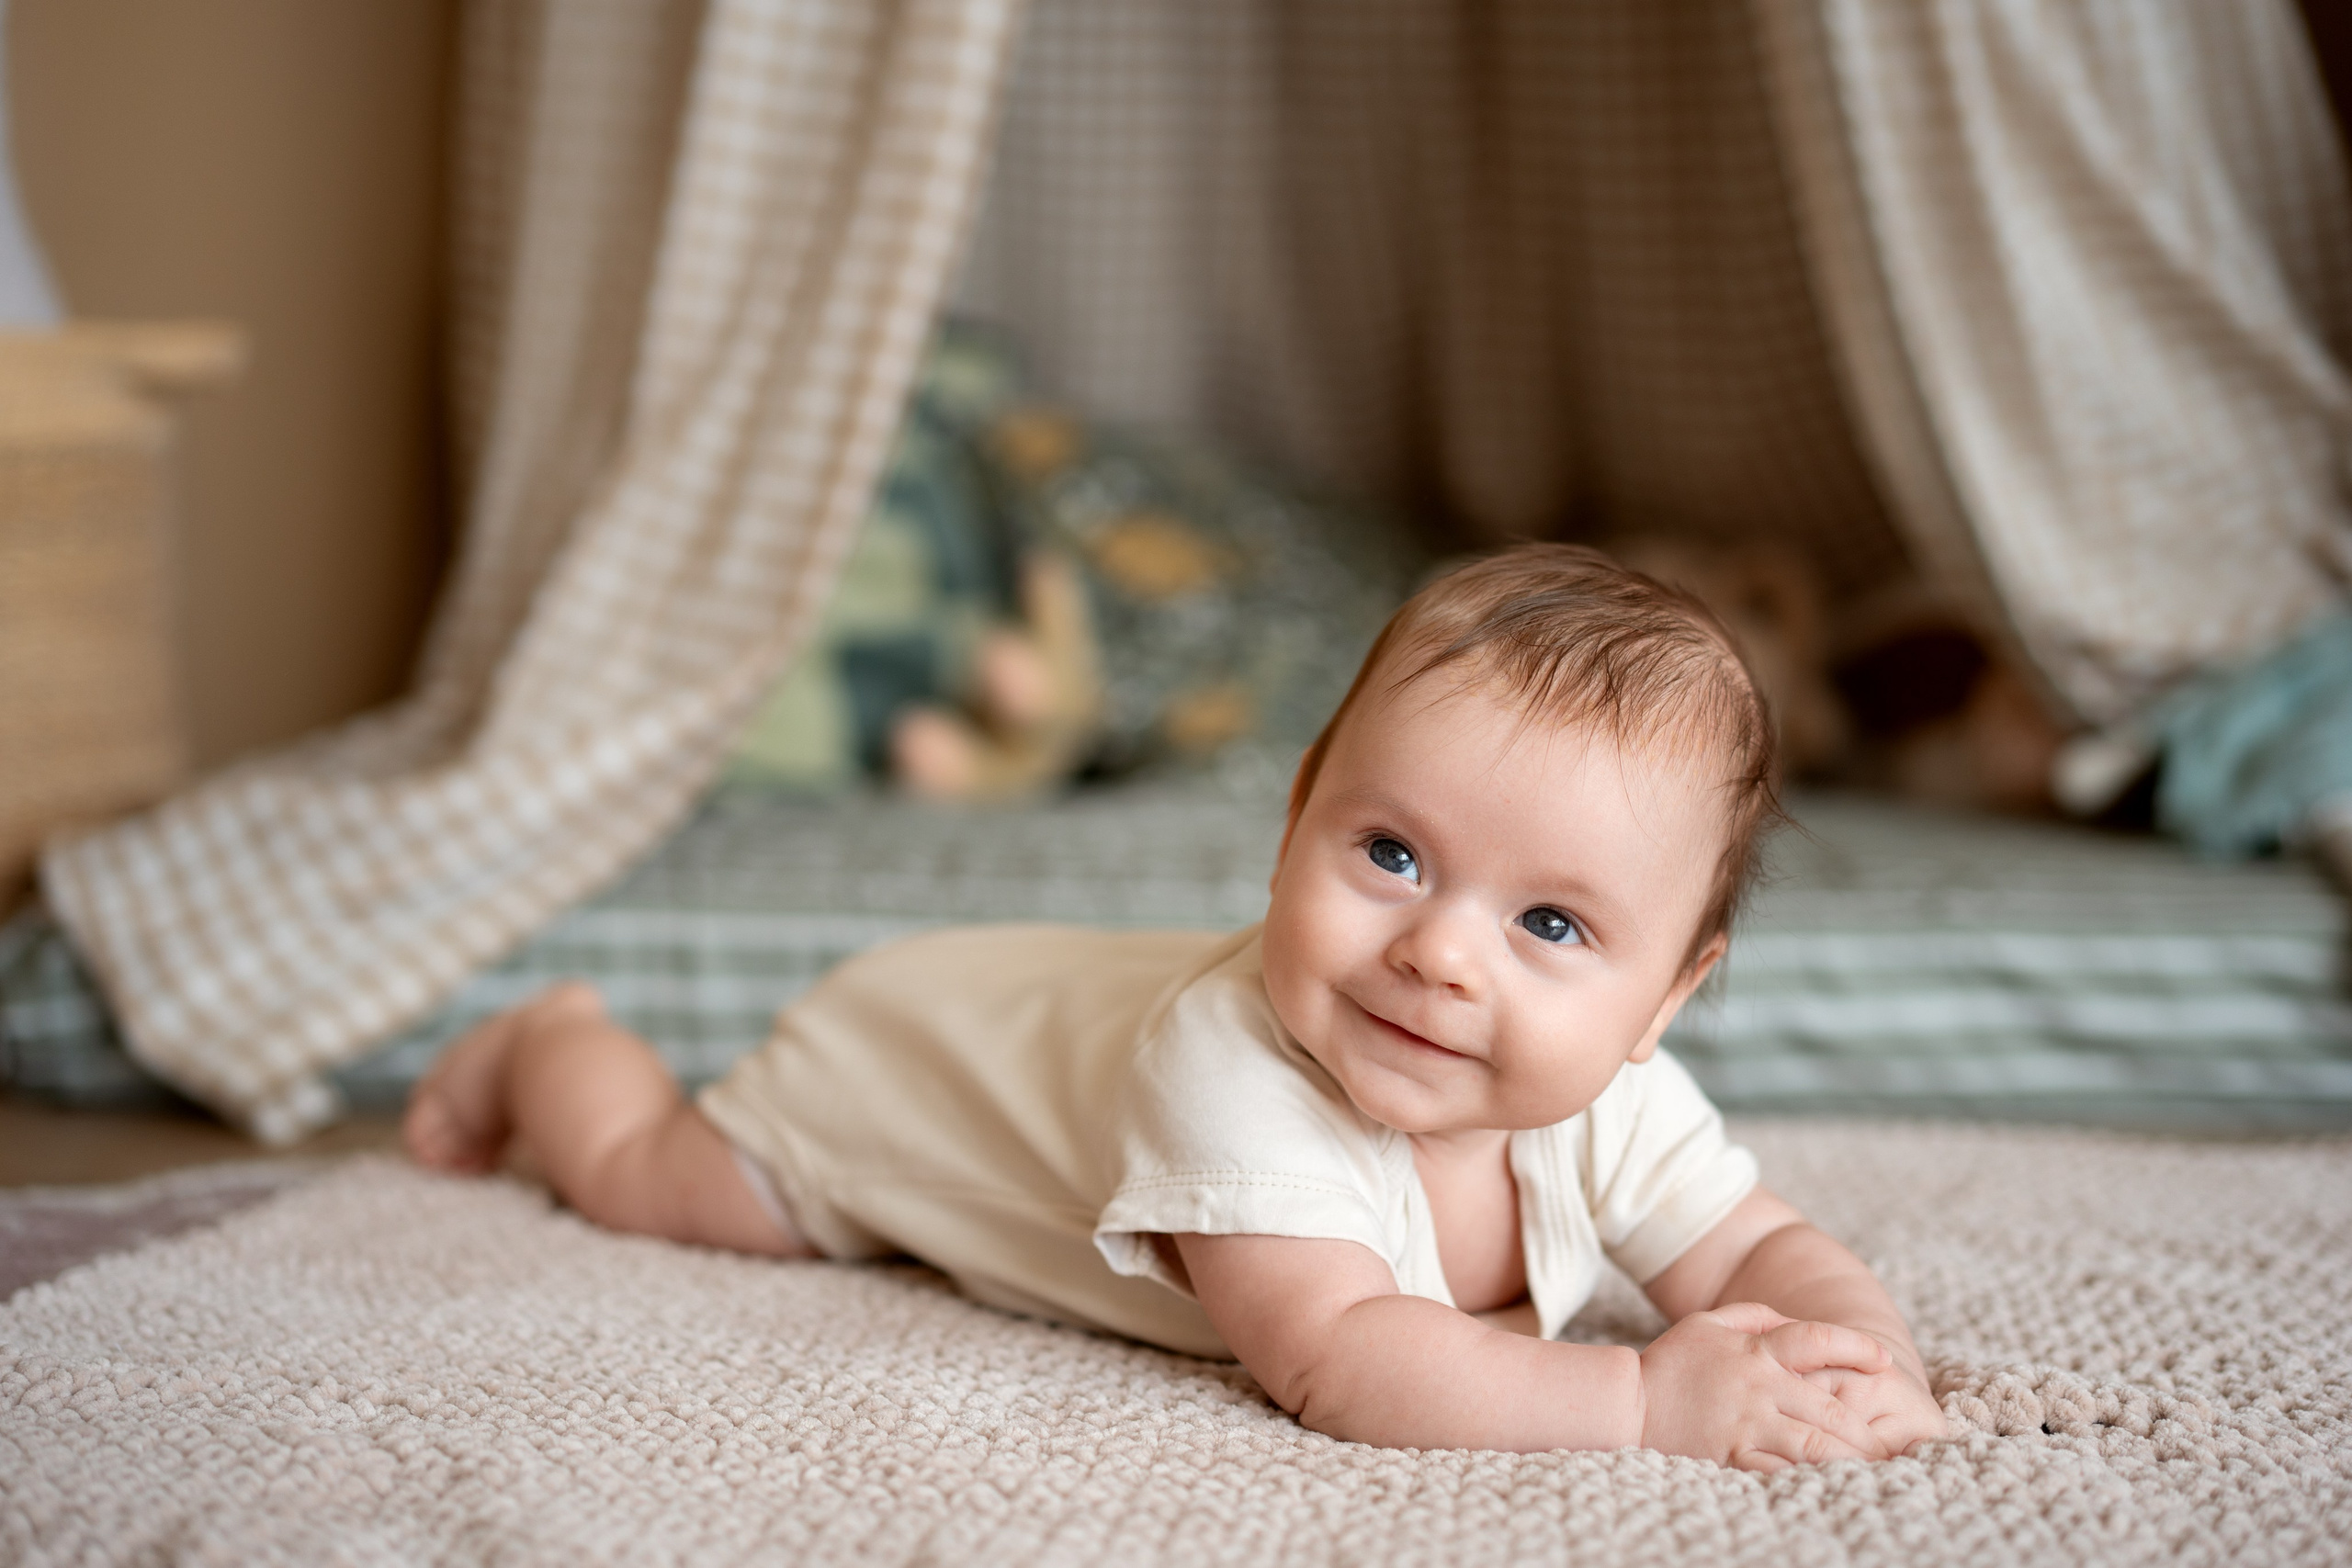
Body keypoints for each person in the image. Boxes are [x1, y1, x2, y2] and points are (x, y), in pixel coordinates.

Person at [404, 543, 1947, 1468]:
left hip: (1029, 1012)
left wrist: (1854, 1351)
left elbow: (1749, 1246)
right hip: (910, 1073)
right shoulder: (1233, 1064)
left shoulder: (1604, 1100)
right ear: (1297, 815)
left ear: (1663, 1003)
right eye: (1392, 854)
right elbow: (1340, 1356)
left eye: (1551, 921)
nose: (1442, 955)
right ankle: (555, 1043)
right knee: (657, 1187)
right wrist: (1642, 1406)